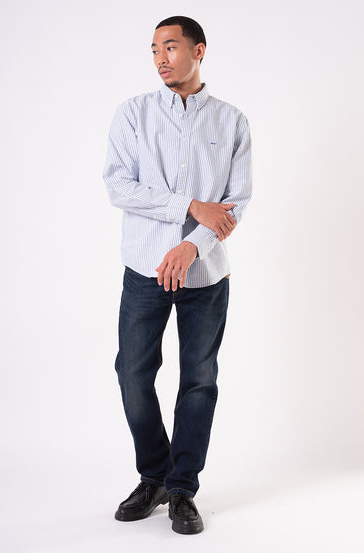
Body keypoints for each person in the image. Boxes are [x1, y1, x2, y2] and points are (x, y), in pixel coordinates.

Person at [102, 15, 252, 535]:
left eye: (170, 46)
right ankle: (155, 476)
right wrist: (188, 205)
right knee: (132, 374)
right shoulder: (134, 114)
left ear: (198, 50)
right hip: (145, 270)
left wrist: (191, 245)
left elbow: (236, 202)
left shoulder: (232, 122)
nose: (160, 58)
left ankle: (183, 487)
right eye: (153, 49)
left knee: (199, 381)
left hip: (206, 277)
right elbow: (119, 186)